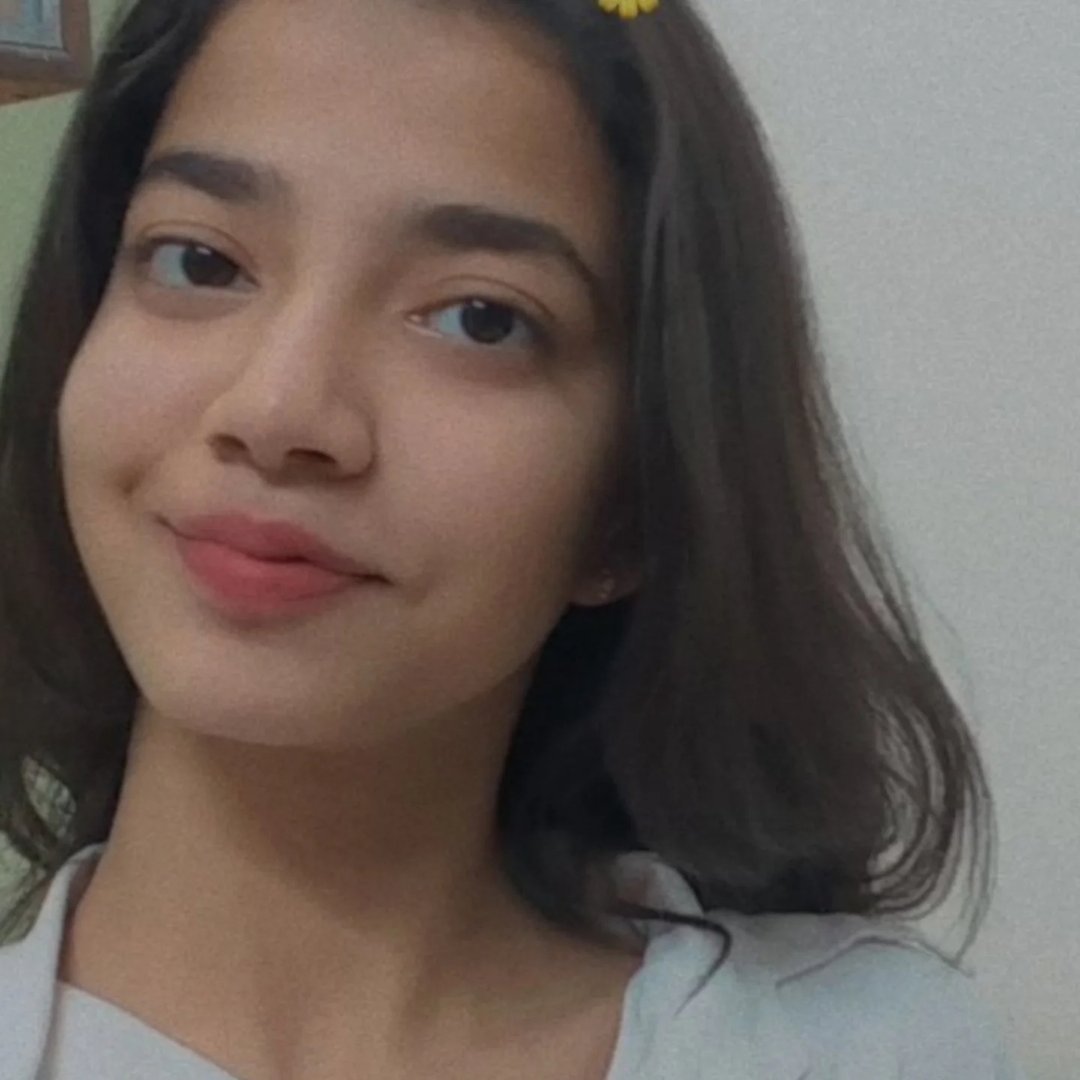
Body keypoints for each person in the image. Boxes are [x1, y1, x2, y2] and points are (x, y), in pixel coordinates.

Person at [0, 0, 1027, 1077]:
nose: (279, 409)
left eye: (479, 319)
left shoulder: (866, 1052)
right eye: (200, 262)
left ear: (632, 503)